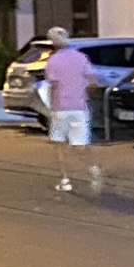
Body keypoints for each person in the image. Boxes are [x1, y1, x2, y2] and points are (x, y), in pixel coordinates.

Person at [41, 27, 100, 195]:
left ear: (53, 42)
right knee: (80, 144)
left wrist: (51, 107)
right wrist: (85, 94)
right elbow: (93, 82)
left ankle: (65, 180)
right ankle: (93, 168)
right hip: (80, 107)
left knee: (60, 144)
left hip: (61, 107)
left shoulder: (52, 61)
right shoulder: (81, 58)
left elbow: (54, 85)